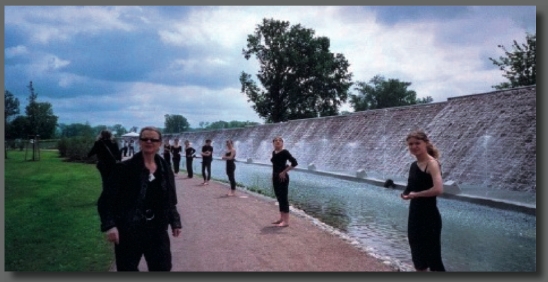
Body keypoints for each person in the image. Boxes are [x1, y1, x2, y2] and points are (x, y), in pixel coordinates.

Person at [97, 126, 182, 271]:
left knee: (162, 268)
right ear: (140, 142)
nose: (149, 142)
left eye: (153, 139)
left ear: (159, 143)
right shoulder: (124, 169)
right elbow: (105, 201)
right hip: (129, 230)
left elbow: (170, 199)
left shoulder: (165, 168)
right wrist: (110, 225)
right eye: (145, 139)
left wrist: (175, 221)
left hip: (157, 231)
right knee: (127, 269)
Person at [400, 130, 445, 272]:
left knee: (433, 258)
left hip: (429, 216)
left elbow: (438, 189)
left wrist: (416, 194)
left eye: (417, 143)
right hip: (414, 215)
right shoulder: (413, 165)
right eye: (410, 144)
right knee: (418, 256)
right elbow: (410, 187)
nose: (414, 146)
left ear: (425, 143)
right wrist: (406, 194)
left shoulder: (432, 163)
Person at [270, 136, 298, 227]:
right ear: (273, 143)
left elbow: (294, 163)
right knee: (279, 198)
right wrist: (273, 176)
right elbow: (275, 166)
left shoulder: (285, 152)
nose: (277, 142)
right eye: (275, 141)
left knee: (283, 198)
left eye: (280, 141)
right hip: (275, 177)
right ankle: (281, 218)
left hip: (283, 178)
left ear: (282, 143)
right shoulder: (274, 152)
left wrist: (284, 172)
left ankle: (286, 221)